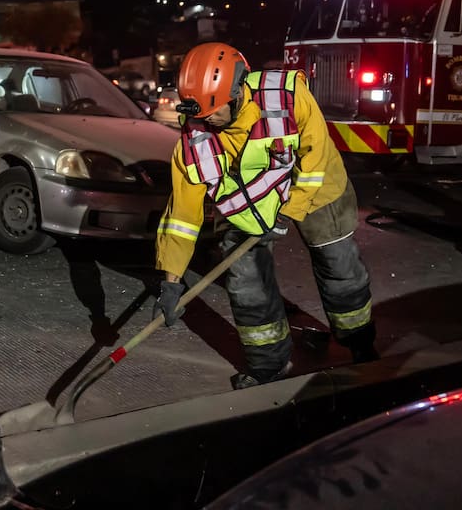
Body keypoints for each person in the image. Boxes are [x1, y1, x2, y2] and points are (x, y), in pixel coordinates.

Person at [152, 42, 376, 389]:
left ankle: (359, 342)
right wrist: (171, 280)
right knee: (246, 283)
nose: (207, 120)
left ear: (239, 89)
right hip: (252, 201)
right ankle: (269, 363)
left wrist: (288, 213)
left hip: (316, 186)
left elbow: (313, 159)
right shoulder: (193, 142)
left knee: (338, 264)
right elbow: (182, 215)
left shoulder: (287, 97)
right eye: (201, 113)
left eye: (215, 109)